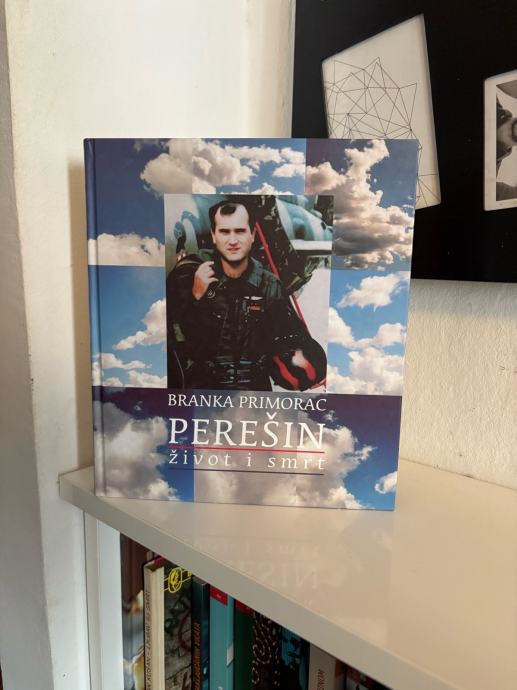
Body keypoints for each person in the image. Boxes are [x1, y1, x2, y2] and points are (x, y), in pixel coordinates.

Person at [166, 199, 326, 391]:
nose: (233, 240)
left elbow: (288, 331)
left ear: (252, 235)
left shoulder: (268, 284)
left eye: (240, 231)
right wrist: (196, 296)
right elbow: (177, 330)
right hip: (203, 386)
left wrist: (311, 372)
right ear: (214, 236)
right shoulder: (190, 273)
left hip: (253, 390)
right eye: (224, 232)